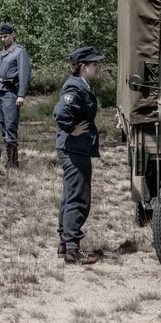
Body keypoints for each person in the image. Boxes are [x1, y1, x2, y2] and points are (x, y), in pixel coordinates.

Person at [53, 46, 104, 265]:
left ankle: (65, 244)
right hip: (74, 148)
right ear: (83, 67)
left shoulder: (80, 85)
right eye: (94, 64)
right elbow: (61, 112)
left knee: (70, 194)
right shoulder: (75, 86)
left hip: (75, 148)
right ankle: (73, 250)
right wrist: (71, 128)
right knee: (78, 197)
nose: (97, 68)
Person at [0, 23, 32, 168]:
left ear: (12, 35)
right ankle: (9, 159)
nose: (3, 39)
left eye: (5, 36)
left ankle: (13, 162)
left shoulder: (19, 52)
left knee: (11, 126)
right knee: (3, 126)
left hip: (11, 92)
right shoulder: (1, 53)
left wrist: (21, 95)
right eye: (1, 37)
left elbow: (25, 74)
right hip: (0, 92)